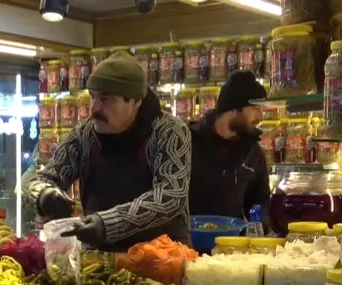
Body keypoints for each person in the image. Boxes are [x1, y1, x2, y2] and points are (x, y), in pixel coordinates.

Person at [27, 52, 192, 251]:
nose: (94, 108)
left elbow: (170, 195)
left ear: (135, 101)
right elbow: (41, 178)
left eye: (106, 99)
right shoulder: (85, 134)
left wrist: (107, 223)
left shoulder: (169, 131)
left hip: (163, 259)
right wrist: (45, 195)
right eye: (93, 97)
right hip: (100, 260)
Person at [188, 70, 270, 220]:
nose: (260, 116)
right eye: (256, 108)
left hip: (234, 240)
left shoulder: (253, 152)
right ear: (233, 108)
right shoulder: (188, 141)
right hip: (188, 241)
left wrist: (260, 223)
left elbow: (260, 199)